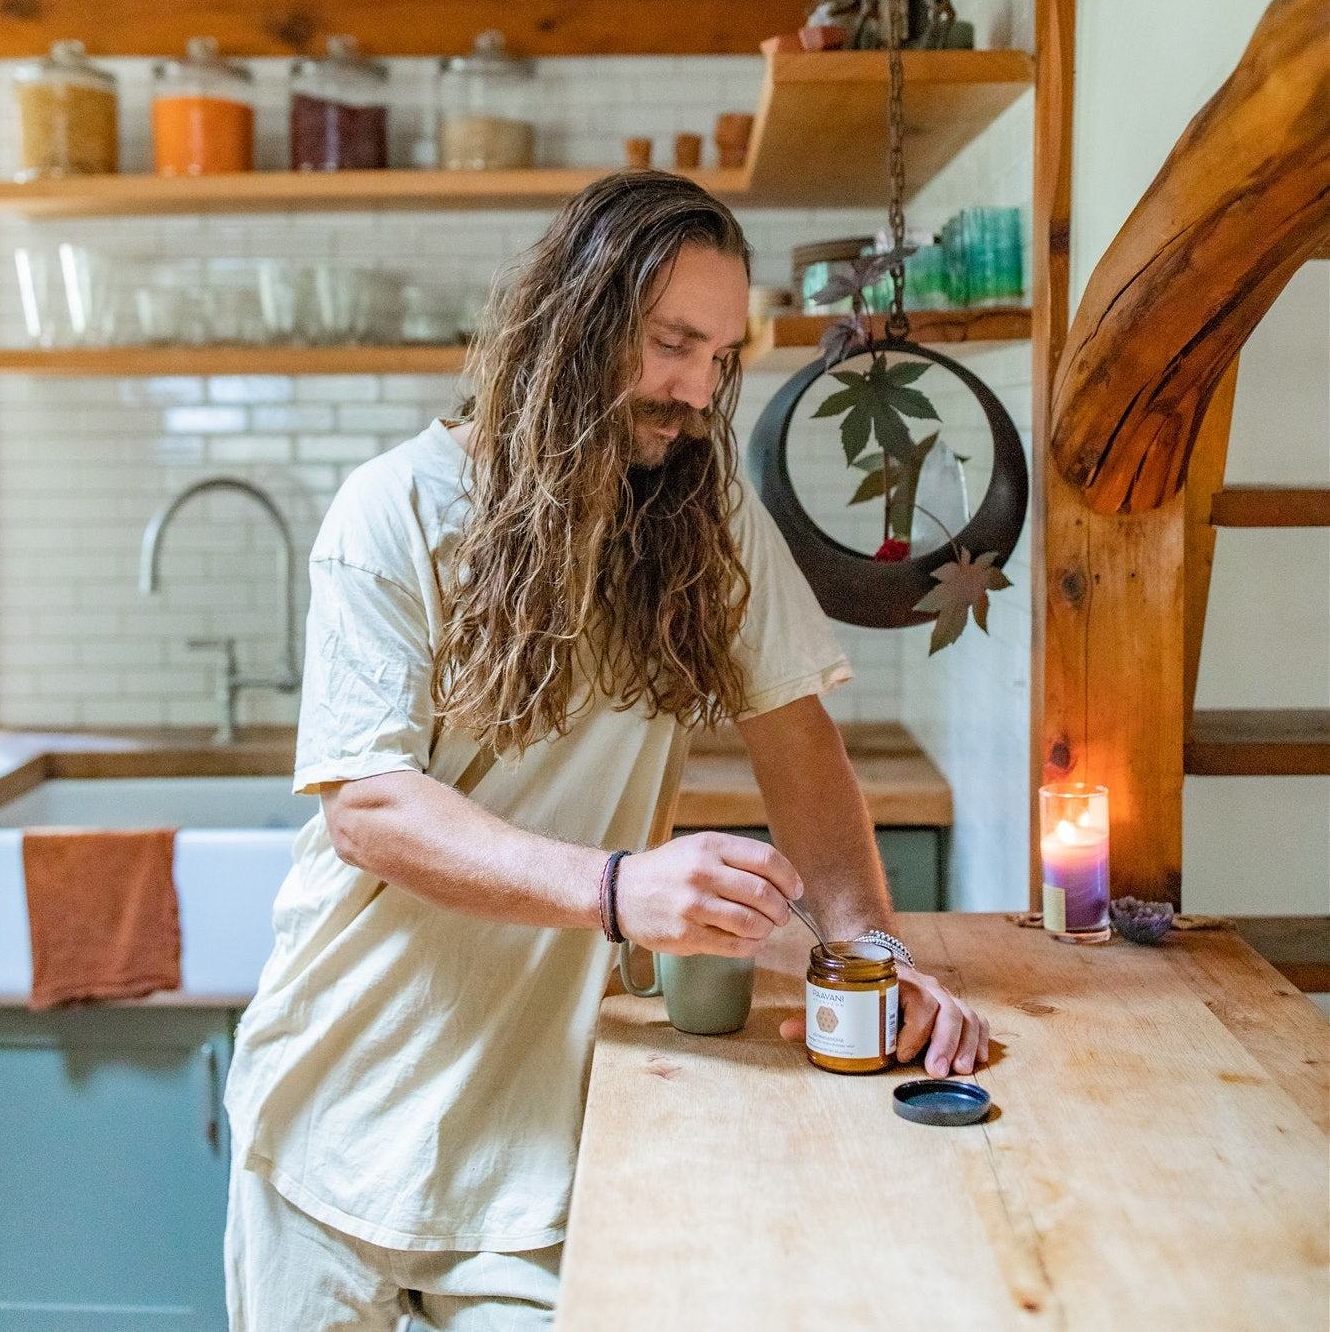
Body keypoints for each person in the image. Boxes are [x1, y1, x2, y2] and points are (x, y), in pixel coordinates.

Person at [223, 169, 989, 1331]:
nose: (697, 391)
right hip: (336, 1118)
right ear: (574, 319)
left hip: (536, 1157)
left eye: (722, 357)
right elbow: (368, 808)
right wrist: (622, 889)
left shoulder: (703, 513)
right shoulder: (392, 511)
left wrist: (871, 953)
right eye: (672, 341)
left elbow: (798, 743)